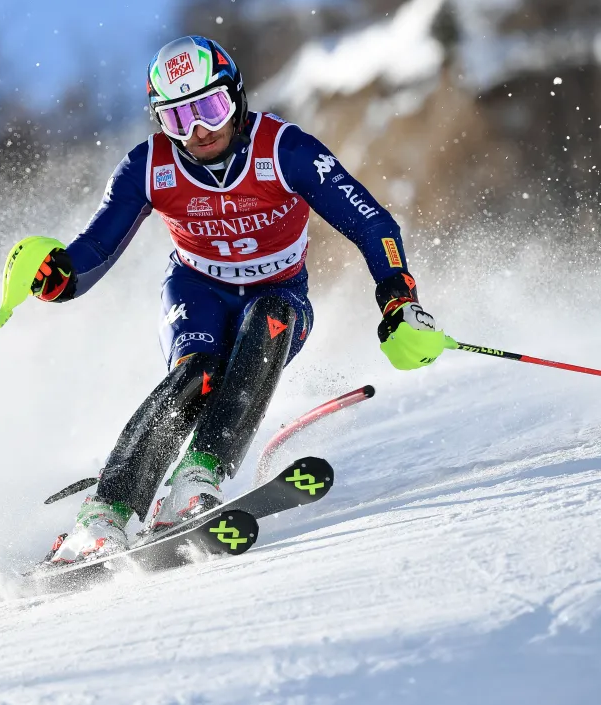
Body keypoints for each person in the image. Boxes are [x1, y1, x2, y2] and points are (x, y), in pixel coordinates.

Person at [30, 36, 449, 566]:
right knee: (197, 373)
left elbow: (370, 220)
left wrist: (397, 297)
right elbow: (93, 249)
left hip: (279, 293)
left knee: (269, 319)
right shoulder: (149, 166)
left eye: (209, 107)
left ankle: (196, 478)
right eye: (178, 118)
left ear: (237, 98)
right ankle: (101, 519)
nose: (199, 130)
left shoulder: (285, 149)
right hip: (196, 291)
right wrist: (61, 275)